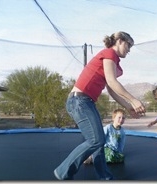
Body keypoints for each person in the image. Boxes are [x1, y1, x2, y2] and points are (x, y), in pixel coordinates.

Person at [54, 31, 146, 180]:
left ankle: (105, 178)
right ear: (120, 41)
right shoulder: (109, 53)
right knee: (96, 140)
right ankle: (63, 171)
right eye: (129, 45)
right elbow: (112, 82)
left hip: (87, 102)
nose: (129, 49)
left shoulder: (113, 61)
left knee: (98, 143)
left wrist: (129, 106)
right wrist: (134, 100)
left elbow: (112, 90)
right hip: (79, 101)